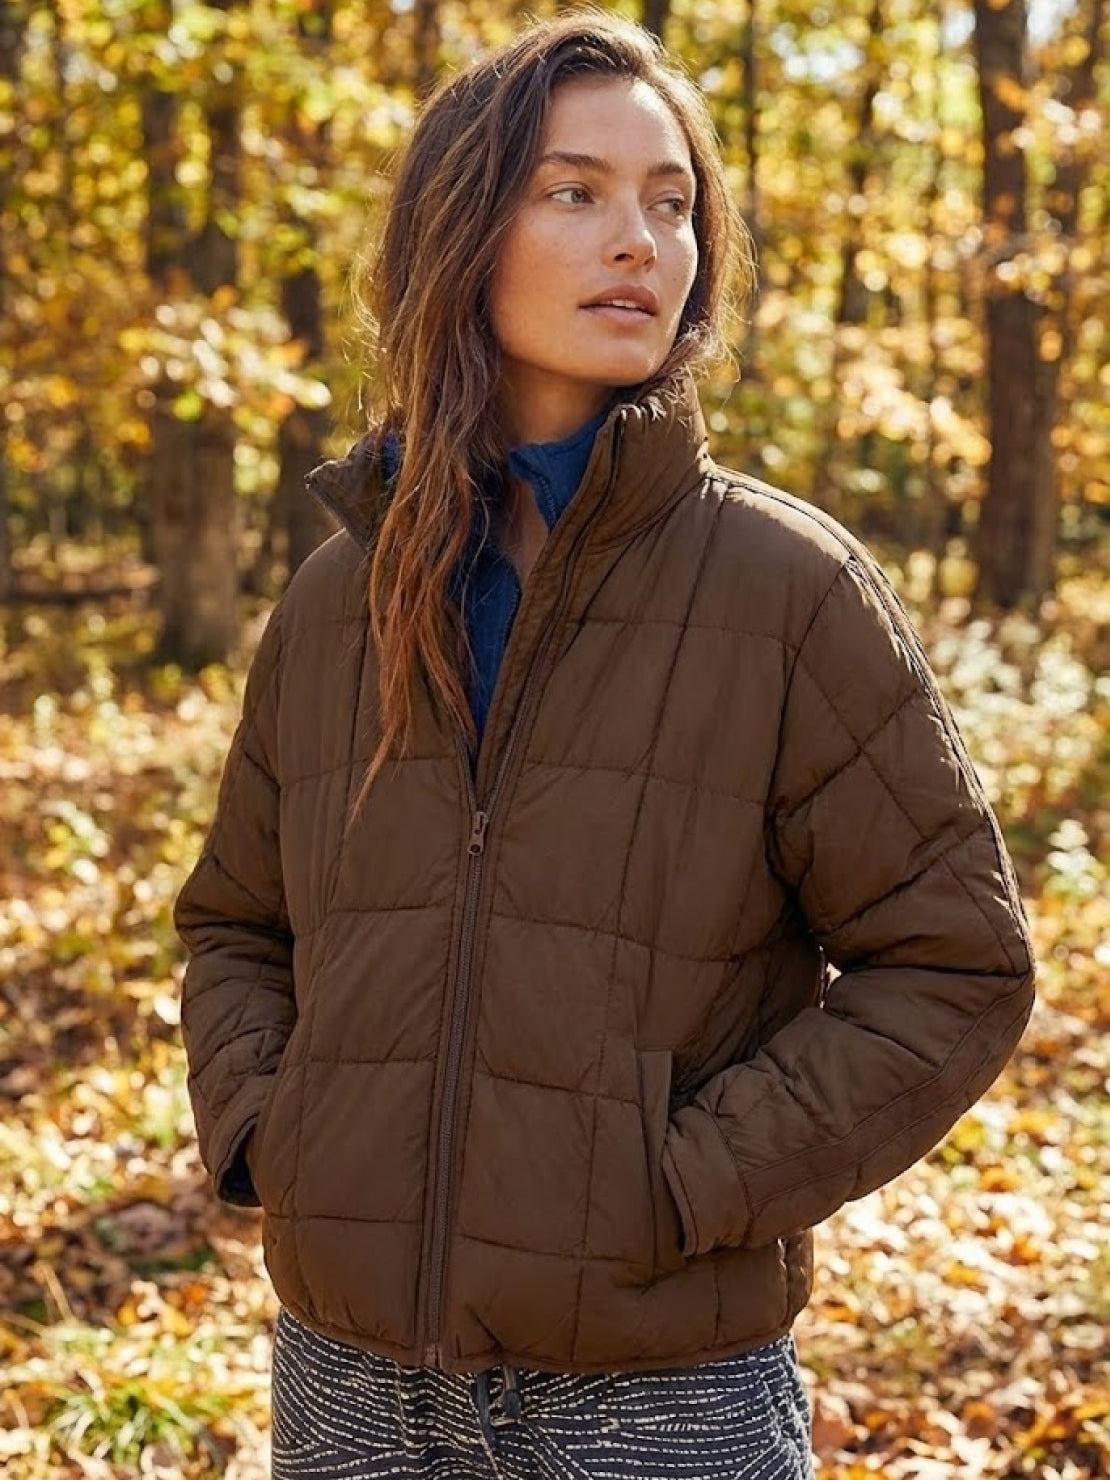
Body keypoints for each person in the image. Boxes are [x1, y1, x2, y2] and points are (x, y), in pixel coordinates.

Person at [173, 10, 1037, 1479]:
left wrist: (676, 1183)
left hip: (655, 1396)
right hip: (344, 1384)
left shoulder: (783, 588)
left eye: (671, 200)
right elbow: (235, 922)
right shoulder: (339, 595)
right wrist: (277, 1134)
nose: (637, 237)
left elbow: (954, 964)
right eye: (572, 191)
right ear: (462, 228)